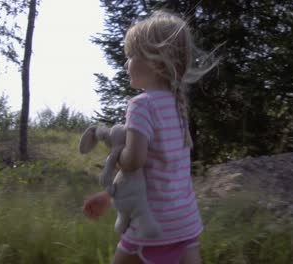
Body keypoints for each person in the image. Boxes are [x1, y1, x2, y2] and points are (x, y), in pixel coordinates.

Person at [82, 10, 218, 264]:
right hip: (185, 224)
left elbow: (134, 162)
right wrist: (109, 197)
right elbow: (157, 172)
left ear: (156, 62)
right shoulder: (177, 106)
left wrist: (115, 148)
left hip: (151, 225)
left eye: (132, 56)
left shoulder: (141, 105)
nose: (126, 64)